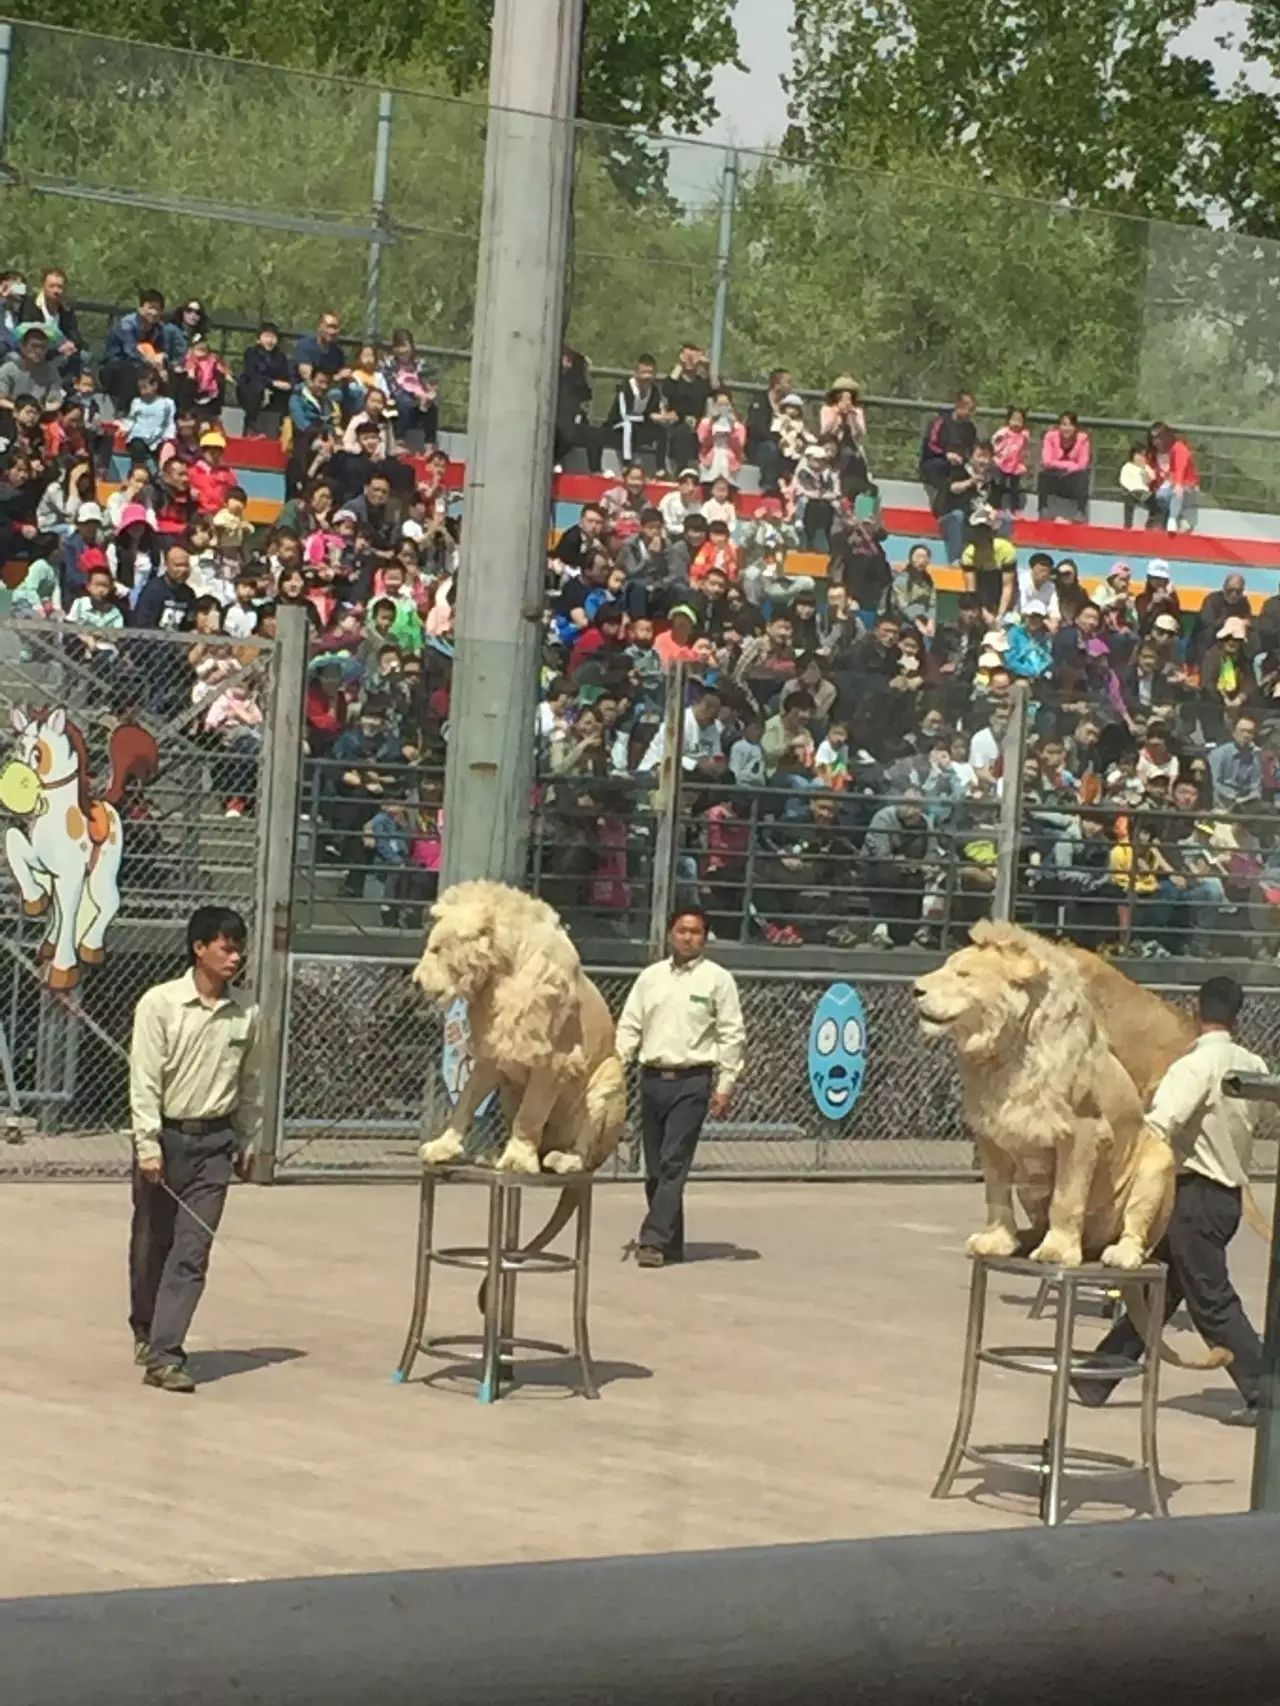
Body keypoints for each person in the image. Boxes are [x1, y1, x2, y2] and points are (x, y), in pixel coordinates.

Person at [1080, 977, 1269, 1426]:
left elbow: (1160, 1126)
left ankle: (1268, 1390)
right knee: (1158, 1293)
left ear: (1195, 1009)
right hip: (1224, 1196)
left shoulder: (1193, 1066)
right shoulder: (1254, 1064)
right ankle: (1098, 1375)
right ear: (1237, 1015)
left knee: (1211, 1301)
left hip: (1192, 1196)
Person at [127, 906, 262, 1394]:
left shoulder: (246, 1014)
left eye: (239, 947)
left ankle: (165, 1353)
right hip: (165, 1139)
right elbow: (144, 1080)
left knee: (192, 1249)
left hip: (215, 1146)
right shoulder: (159, 1005)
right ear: (199, 948)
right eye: (226, 947)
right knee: (151, 1245)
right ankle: (145, 1327)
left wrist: (247, 1141)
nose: (235, 957)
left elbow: (250, 1083)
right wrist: (148, 1145)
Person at [614, 906, 745, 1268]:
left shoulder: (717, 980)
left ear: (705, 937)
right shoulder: (650, 978)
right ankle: (672, 1241)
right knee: (655, 1168)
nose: (688, 937)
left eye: (696, 932)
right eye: (682, 930)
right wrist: (615, 1066)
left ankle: (652, 1240)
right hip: (652, 1079)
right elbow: (630, 1026)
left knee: (674, 1162)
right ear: (671, 933)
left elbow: (732, 1033)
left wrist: (725, 1084)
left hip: (693, 1080)